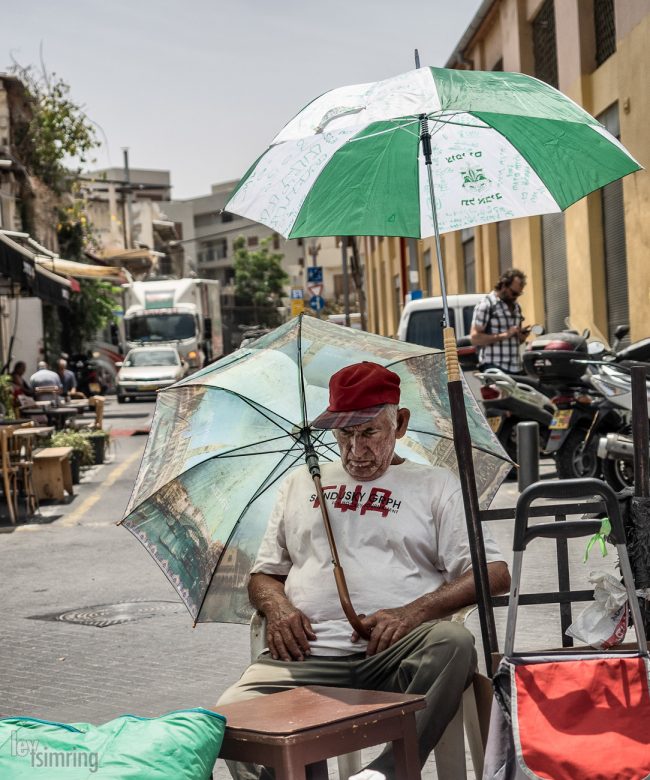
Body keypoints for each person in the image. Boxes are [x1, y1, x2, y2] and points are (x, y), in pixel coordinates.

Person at [217, 361, 510, 780]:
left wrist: (413, 613)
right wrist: (278, 608)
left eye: (369, 432)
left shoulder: (435, 484)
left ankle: (381, 775)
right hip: (307, 657)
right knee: (231, 717)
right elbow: (264, 574)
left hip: (395, 656)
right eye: (345, 434)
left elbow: (494, 574)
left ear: (400, 422)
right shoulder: (303, 482)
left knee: (454, 642)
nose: (355, 450)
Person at [470, 268, 531, 374]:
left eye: (518, 294)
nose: (515, 297)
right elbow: (475, 338)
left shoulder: (517, 307)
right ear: (503, 285)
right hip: (494, 366)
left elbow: (515, 339)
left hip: (516, 367)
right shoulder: (487, 305)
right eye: (513, 293)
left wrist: (521, 337)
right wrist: (504, 335)